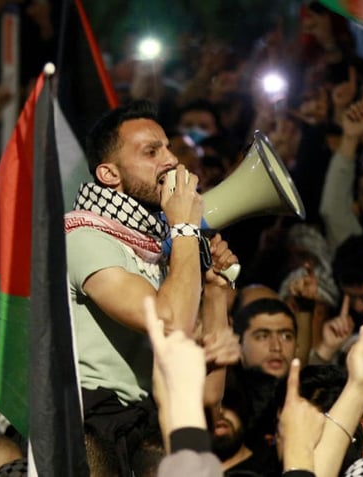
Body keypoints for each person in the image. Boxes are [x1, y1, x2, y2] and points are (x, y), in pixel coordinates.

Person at [65, 100, 237, 472]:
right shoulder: (83, 234)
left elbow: (208, 396)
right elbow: (168, 319)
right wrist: (186, 230)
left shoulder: (158, 252)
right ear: (109, 174)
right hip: (91, 423)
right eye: (151, 151)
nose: (171, 160)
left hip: (146, 421)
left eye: (168, 147)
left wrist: (216, 294)